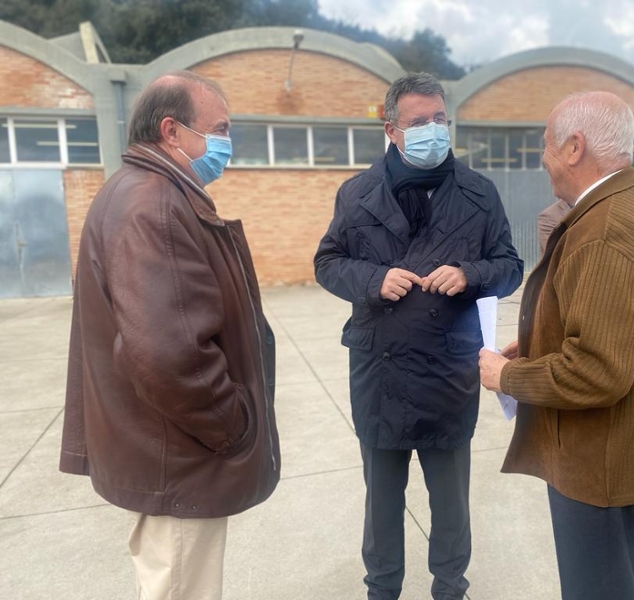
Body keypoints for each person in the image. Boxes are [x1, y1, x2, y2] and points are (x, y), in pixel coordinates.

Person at [59, 71, 281, 600]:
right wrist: (233, 425)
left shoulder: (148, 192)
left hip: (170, 450)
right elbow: (168, 355)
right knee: (182, 587)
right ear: (172, 131)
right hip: (182, 456)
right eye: (219, 128)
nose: (227, 143)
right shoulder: (154, 205)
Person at [479, 91, 634, 600]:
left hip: (604, 468)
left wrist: (505, 377)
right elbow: (620, 330)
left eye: (546, 146)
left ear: (574, 147)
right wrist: (535, 342)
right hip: (630, 456)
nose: (543, 159)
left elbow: (597, 370)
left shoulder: (606, 230)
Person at [314, 72, 523, 600]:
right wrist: (371, 279)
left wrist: (470, 274)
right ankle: (381, 590)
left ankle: (450, 588)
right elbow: (328, 262)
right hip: (378, 371)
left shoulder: (479, 193)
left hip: (448, 372)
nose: (432, 129)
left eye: (439, 119)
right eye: (418, 122)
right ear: (391, 129)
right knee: (382, 501)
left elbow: (510, 266)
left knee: (450, 502)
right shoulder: (357, 194)